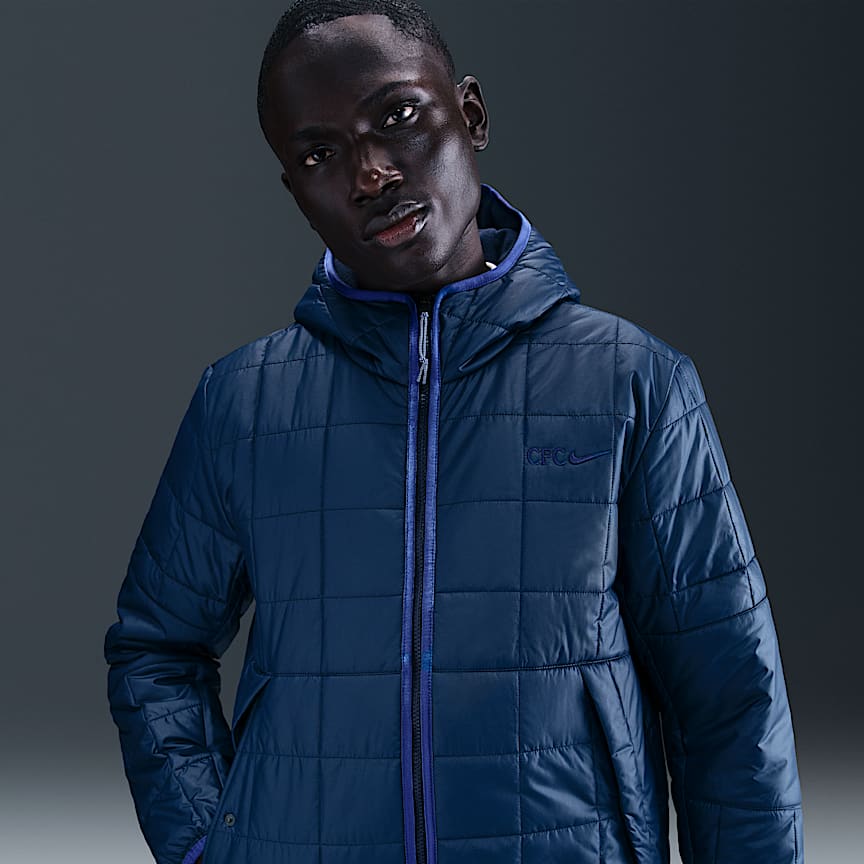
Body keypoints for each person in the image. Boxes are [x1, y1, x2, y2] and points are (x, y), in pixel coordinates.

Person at [103, 2, 804, 863]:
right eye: (320, 154)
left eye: (397, 116)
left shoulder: (634, 382)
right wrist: (207, 849)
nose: (370, 174)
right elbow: (156, 651)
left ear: (470, 115)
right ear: (295, 191)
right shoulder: (242, 403)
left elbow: (729, 692)